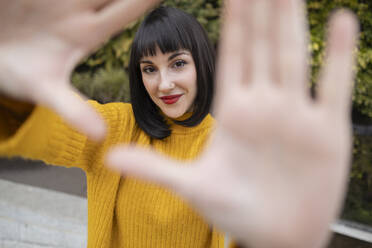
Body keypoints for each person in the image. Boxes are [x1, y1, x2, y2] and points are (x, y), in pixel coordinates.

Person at [0, 0, 359, 248]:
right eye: (149, 69)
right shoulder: (116, 128)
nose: (164, 84)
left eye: (177, 63)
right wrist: (12, 87)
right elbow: (41, 131)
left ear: (201, 63)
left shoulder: (231, 147)